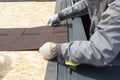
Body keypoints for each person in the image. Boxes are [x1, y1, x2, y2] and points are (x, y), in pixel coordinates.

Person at [39, 0, 120, 67]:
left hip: (112, 60)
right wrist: (61, 15)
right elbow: (86, 3)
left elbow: (99, 52)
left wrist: (56, 49)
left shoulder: (117, 7)